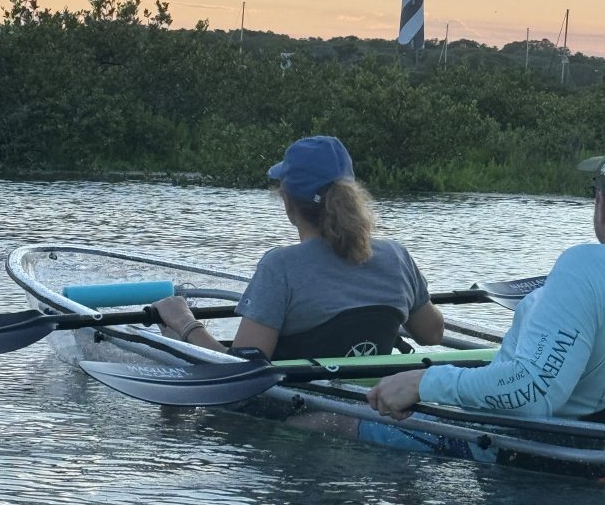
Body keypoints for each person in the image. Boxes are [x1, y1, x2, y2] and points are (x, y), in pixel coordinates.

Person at [367, 134, 605, 431]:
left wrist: (423, 382)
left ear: (604, 203)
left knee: (330, 422)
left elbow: (527, 393)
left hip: (552, 471)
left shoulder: (585, 268)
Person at [154, 135, 444, 358]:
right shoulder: (396, 256)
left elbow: (242, 369)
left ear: (287, 201)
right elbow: (432, 333)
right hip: (376, 403)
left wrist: (185, 324)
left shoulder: (280, 267)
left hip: (301, 412)